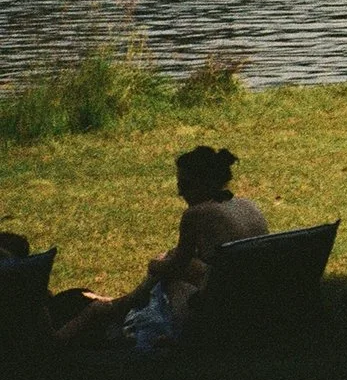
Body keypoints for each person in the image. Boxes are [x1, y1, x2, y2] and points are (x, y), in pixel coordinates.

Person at [53, 145, 268, 347]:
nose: (180, 194)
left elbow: (175, 266)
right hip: (251, 299)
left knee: (164, 273)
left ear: (201, 184)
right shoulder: (248, 206)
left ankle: (94, 318)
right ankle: (115, 305)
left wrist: (154, 265)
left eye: (183, 186)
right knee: (170, 259)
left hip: (218, 309)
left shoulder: (195, 214)